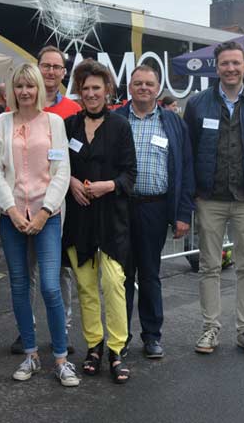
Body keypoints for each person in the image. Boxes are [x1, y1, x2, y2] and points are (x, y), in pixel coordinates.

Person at [183, 41, 244, 356]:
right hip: (209, 199)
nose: (230, 68)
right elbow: (188, 152)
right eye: (224, 63)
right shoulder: (198, 104)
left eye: (235, 63)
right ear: (217, 67)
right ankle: (210, 329)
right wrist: (195, 193)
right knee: (209, 266)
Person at [0, 63, 79, 387]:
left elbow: (62, 171)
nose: (25, 92)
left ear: (39, 88)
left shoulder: (54, 122)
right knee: (20, 286)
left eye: (30, 85)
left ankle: (62, 359)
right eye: (19, 86)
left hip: (47, 216)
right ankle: (30, 353)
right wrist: (10, 210)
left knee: (51, 287)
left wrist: (44, 212)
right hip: (12, 217)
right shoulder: (2, 122)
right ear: (12, 89)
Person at [63, 59, 137, 384]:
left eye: (97, 88)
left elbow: (130, 174)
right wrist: (70, 181)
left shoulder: (120, 126)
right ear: (79, 91)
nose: (91, 93)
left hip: (111, 219)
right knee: (86, 287)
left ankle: (117, 350)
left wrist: (110, 185)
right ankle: (93, 345)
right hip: (79, 218)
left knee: (113, 283)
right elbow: (57, 165)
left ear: (107, 90)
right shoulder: (68, 126)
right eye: (86, 88)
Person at [113, 65, 194, 359]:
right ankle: (119, 337)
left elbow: (185, 169)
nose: (144, 88)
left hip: (154, 209)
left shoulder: (172, 122)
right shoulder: (116, 118)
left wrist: (183, 213)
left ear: (158, 88)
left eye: (149, 83)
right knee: (120, 276)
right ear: (130, 87)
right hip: (120, 208)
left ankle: (152, 336)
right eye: (138, 83)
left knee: (149, 274)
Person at [8, 45, 82, 355]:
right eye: (46, 66)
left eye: (56, 67)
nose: (51, 71)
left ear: (64, 73)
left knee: (60, 272)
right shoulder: (10, 116)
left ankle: (60, 328)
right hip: (20, 208)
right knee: (28, 272)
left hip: (59, 202)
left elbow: (73, 157)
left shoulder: (71, 112)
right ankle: (28, 331)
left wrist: (70, 185)